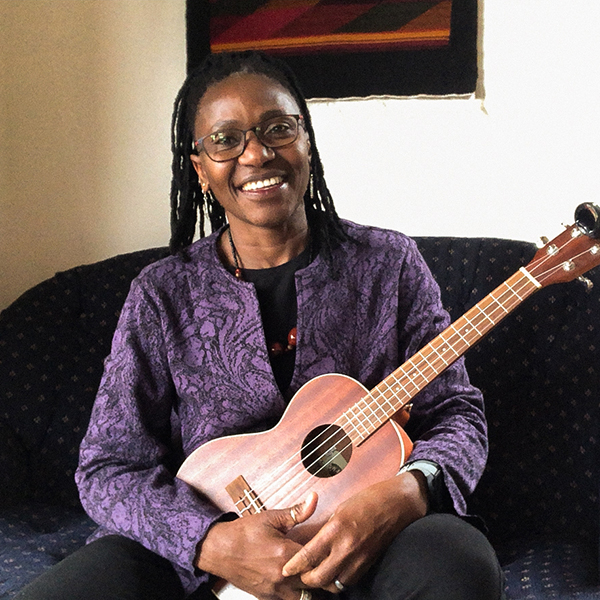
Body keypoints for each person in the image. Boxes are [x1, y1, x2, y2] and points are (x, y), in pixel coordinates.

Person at [16, 51, 506, 600]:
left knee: (456, 567)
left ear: (306, 143)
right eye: (226, 140)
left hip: (363, 538)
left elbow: (456, 413)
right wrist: (210, 542)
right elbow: (109, 465)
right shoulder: (162, 292)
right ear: (200, 169)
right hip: (197, 556)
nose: (257, 153)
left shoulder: (389, 264)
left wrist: (410, 491)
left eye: (278, 129)